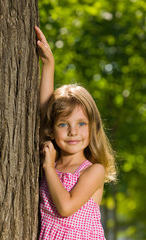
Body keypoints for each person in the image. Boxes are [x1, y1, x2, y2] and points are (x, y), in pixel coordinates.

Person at [35, 26, 116, 240]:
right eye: (63, 125)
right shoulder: (53, 156)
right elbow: (45, 109)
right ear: (52, 129)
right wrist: (48, 63)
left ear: (93, 127)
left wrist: (49, 168)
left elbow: (66, 207)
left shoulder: (92, 170)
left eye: (81, 124)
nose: (73, 132)